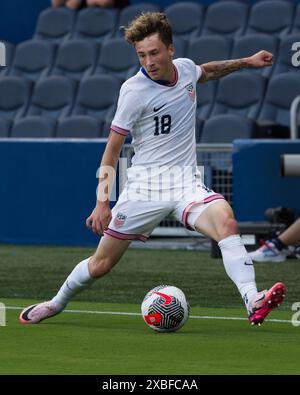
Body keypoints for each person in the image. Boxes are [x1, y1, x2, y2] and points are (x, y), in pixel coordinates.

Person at [19, 12, 286, 327]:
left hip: (185, 183)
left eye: (154, 53)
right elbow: (112, 149)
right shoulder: (134, 91)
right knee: (100, 265)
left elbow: (207, 71)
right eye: (142, 55)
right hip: (144, 189)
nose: (149, 61)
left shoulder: (184, 69)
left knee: (226, 222)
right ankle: (55, 303)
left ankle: (252, 299)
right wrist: (102, 202)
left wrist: (247, 61)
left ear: (170, 49)